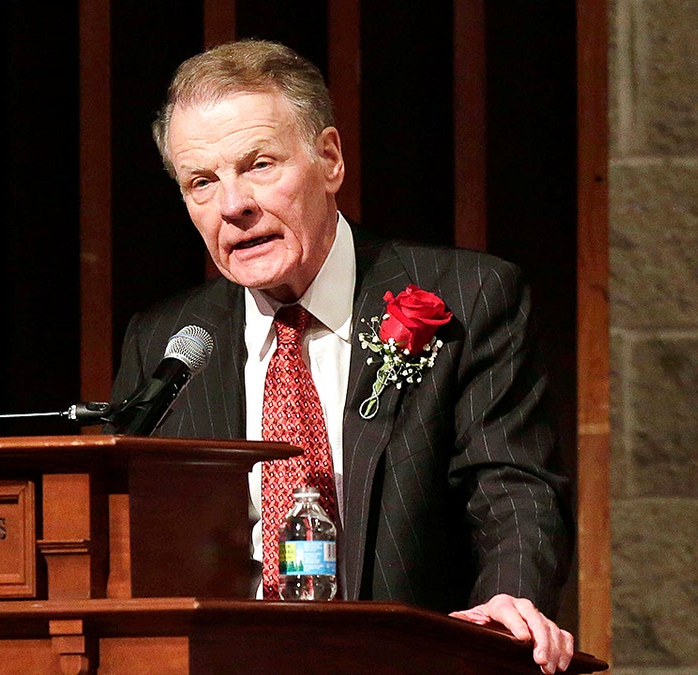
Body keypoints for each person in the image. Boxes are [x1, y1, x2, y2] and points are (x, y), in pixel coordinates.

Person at [109, 39, 575, 673]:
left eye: (259, 165)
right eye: (202, 182)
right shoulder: (165, 342)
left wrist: (510, 597)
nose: (233, 205)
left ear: (329, 159)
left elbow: (511, 486)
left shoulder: (467, 297)